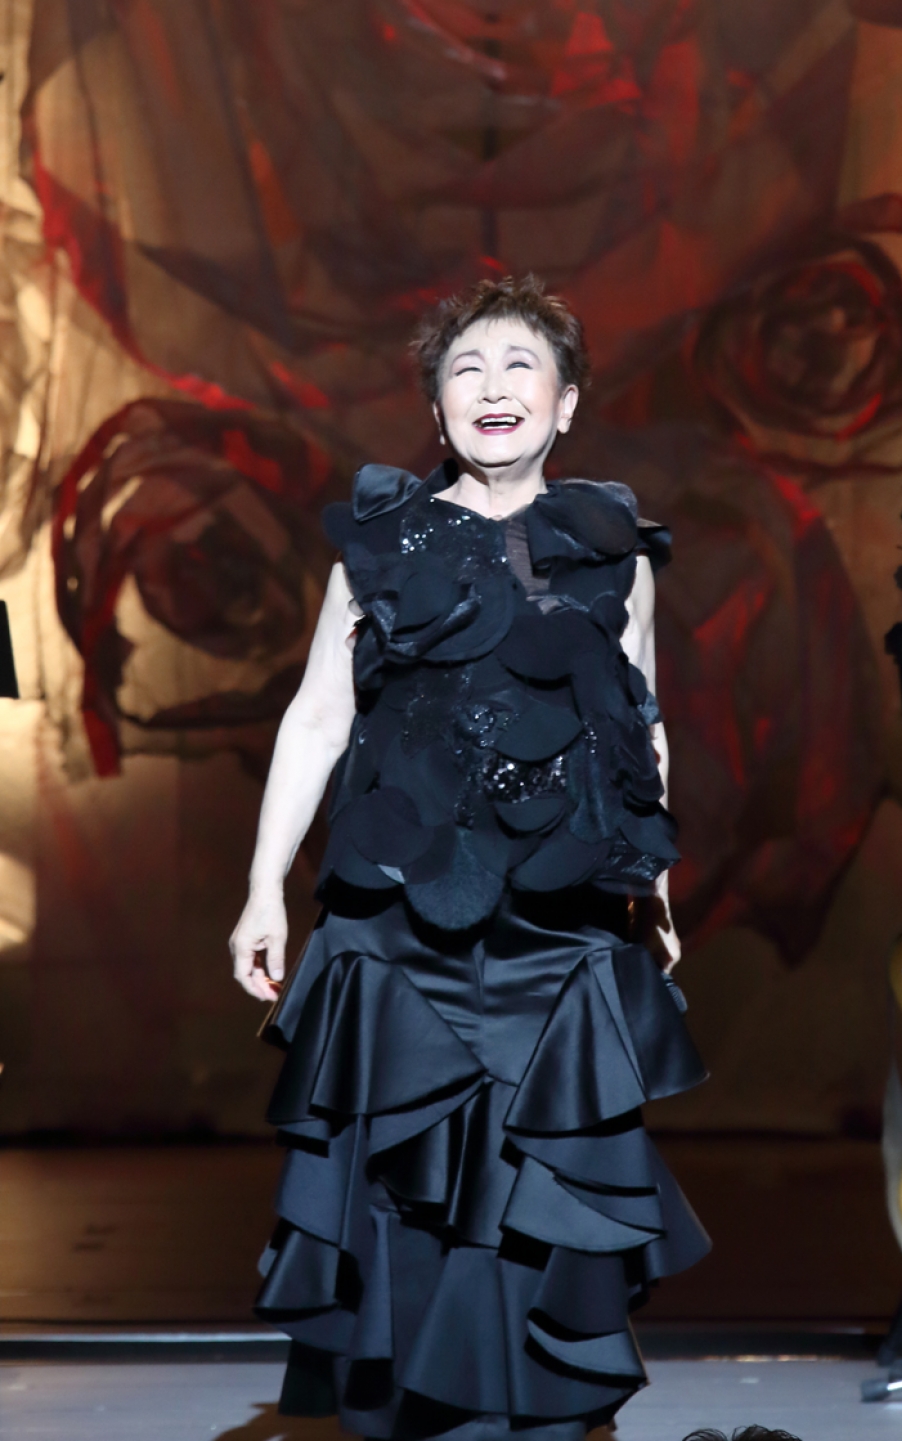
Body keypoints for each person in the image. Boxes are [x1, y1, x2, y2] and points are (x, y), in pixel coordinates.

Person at [231, 275, 710, 1441]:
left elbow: (638, 728)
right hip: (398, 930)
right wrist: (263, 888)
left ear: (566, 402)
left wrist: (653, 881)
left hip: (562, 929)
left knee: (544, 1187)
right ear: (436, 406)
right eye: (466, 368)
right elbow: (318, 716)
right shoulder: (379, 550)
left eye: (519, 364)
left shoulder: (615, 557)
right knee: (403, 1190)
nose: (493, 386)